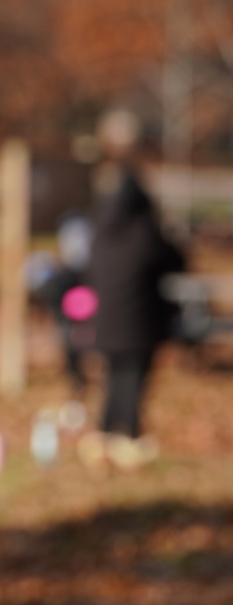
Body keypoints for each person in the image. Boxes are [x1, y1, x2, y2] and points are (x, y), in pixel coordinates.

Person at [84, 111, 184, 467]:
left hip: (109, 309)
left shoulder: (103, 216)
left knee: (115, 373)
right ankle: (126, 436)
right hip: (138, 311)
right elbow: (166, 256)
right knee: (134, 373)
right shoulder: (140, 220)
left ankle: (106, 433)